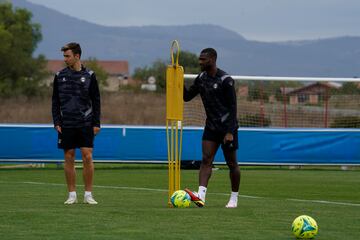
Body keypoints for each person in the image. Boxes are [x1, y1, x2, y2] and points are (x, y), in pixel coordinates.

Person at [183, 48, 240, 208]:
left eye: (203, 59)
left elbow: (233, 107)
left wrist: (229, 131)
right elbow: (187, 97)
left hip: (228, 127)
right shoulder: (201, 78)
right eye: (199, 59)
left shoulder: (225, 80)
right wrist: (178, 80)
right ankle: (201, 196)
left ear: (213, 60)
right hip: (211, 126)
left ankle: (234, 198)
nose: (200, 62)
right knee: (206, 160)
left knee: (232, 164)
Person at [52, 42, 101, 205]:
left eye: (67, 56)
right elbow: (55, 101)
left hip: (85, 123)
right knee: (69, 156)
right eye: (64, 56)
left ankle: (88, 194)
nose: (65, 59)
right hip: (66, 123)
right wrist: (57, 121)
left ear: (77, 56)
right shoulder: (59, 76)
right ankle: (72, 194)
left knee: (87, 156)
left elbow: (96, 101)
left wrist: (96, 123)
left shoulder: (90, 75)